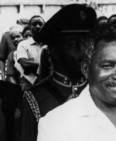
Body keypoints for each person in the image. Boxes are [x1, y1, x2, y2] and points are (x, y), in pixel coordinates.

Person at [16, 4, 96, 141]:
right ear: (55, 52)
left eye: (86, 44)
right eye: (74, 45)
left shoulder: (100, 91)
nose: (84, 52)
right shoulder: (34, 100)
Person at [15, 15, 46, 91]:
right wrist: (46, 67)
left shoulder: (50, 44)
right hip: (29, 84)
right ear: (30, 27)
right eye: (34, 24)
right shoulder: (23, 45)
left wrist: (33, 64)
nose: (38, 26)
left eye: (40, 24)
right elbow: (25, 65)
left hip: (48, 84)